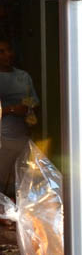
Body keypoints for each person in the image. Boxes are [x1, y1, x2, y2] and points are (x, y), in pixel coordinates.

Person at [0, 39, 38, 197]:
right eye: (1, 52)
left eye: (9, 49)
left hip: (23, 137)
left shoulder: (23, 76)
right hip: (3, 139)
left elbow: (34, 102)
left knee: (22, 186)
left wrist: (28, 109)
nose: (7, 54)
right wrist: (10, 109)